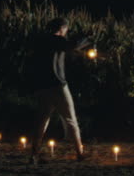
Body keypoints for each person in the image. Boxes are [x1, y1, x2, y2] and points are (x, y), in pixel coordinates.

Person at [25, 16, 94, 162]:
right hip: (58, 86)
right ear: (62, 28)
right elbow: (73, 45)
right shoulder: (57, 40)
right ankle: (80, 153)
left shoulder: (41, 41)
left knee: (42, 121)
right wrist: (87, 37)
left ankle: (34, 154)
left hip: (43, 87)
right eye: (66, 29)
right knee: (71, 119)